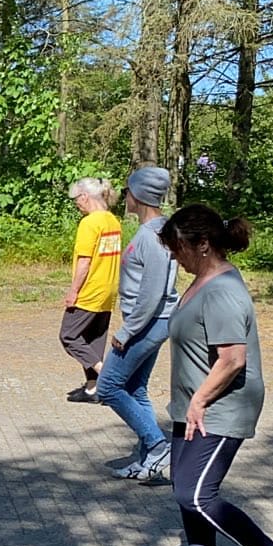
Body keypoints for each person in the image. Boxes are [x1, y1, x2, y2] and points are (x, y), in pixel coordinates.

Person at [152, 204, 273, 546]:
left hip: (222, 406)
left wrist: (200, 398)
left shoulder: (222, 291)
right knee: (184, 489)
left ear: (202, 244)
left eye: (177, 247)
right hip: (192, 406)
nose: (173, 254)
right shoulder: (202, 281)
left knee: (197, 495)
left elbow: (233, 359)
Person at [100, 166, 178, 481]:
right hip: (150, 321)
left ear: (140, 196)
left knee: (107, 386)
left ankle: (158, 443)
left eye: (130, 191)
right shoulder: (155, 230)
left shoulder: (154, 236)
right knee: (135, 387)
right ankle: (150, 461)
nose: (126, 195)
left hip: (148, 323)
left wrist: (127, 331)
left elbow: (152, 293)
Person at [60, 178, 123, 402]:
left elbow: (85, 262)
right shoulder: (113, 221)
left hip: (90, 289)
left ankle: (106, 377)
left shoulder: (89, 223)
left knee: (69, 336)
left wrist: (73, 291)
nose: (76, 204)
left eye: (76, 199)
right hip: (108, 289)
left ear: (85, 197)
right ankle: (93, 388)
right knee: (93, 338)